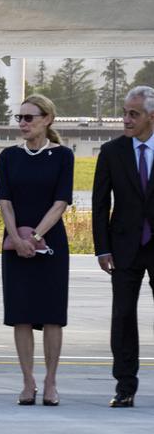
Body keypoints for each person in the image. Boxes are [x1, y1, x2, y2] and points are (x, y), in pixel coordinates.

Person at [0, 95, 73, 406]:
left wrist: (36, 237)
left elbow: (61, 203)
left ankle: (51, 381)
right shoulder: (9, 157)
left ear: (47, 119)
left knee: (53, 316)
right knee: (21, 315)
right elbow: (5, 202)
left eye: (29, 118)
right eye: (20, 118)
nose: (23, 124)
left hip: (51, 244)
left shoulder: (63, 156)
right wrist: (16, 238)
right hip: (15, 245)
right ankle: (28, 382)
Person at [92, 85, 154, 408]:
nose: (126, 120)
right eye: (125, 113)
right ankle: (125, 386)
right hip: (124, 247)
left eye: (134, 114)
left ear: (151, 117)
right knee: (123, 316)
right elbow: (100, 204)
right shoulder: (111, 152)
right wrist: (102, 248)